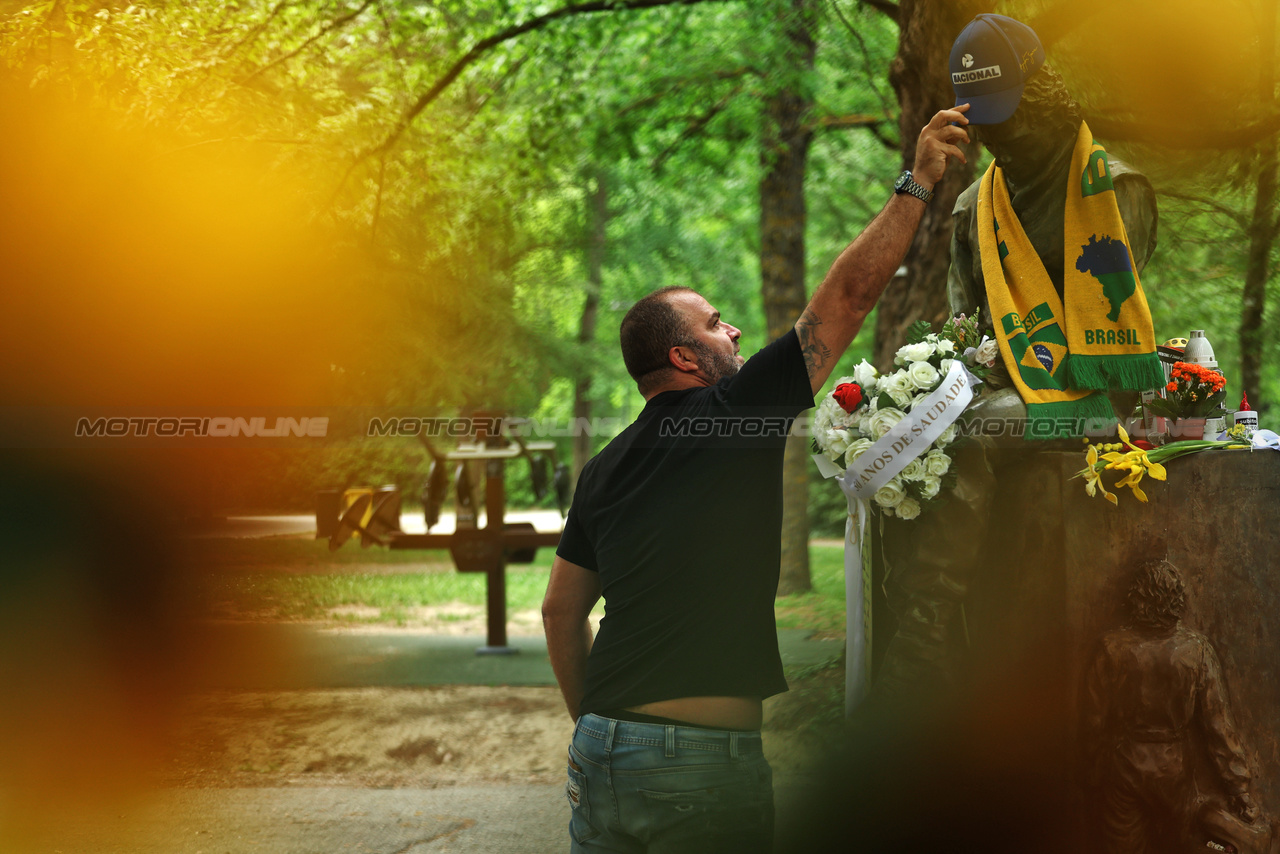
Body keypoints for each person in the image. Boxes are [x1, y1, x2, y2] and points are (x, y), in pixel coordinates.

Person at [540, 104, 971, 852]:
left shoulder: (603, 467)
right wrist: (918, 179)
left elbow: (558, 612)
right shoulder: (734, 414)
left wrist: (598, 723)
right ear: (682, 359)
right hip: (695, 766)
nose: (732, 330)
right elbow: (844, 303)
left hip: (600, 748)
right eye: (714, 323)